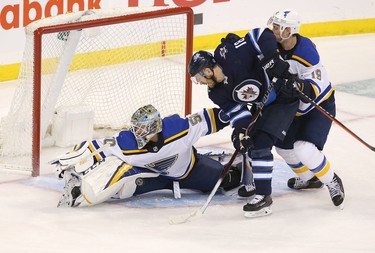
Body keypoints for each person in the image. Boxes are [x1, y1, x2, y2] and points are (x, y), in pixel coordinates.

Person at [189, 28, 299, 217]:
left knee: (262, 144)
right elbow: (238, 112)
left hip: (283, 96)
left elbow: (260, 34)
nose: (199, 83)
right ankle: (257, 180)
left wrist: (271, 59)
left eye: (199, 78)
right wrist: (241, 131)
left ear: (207, 70)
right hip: (263, 105)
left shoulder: (228, 53)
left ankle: (264, 197)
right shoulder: (215, 92)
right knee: (248, 141)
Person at [50, 104, 242, 207]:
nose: (137, 132)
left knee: (226, 179)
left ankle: (218, 161)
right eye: (136, 128)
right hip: (152, 176)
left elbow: (214, 117)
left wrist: (239, 117)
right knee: (119, 192)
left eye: (142, 128)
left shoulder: (179, 128)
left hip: (190, 170)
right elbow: (96, 146)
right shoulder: (127, 142)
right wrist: (73, 161)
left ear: (154, 127)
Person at [268, 9, 345, 208]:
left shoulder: (307, 53)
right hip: (294, 108)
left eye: (279, 27)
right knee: (283, 146)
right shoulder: (273, 46)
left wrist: (301, 87)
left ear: (290, 31)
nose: (274, 30)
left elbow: (317, 86)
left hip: (319, 106)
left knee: (304, 148)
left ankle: (332, 180)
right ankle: (309, 179)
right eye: (274, 25)